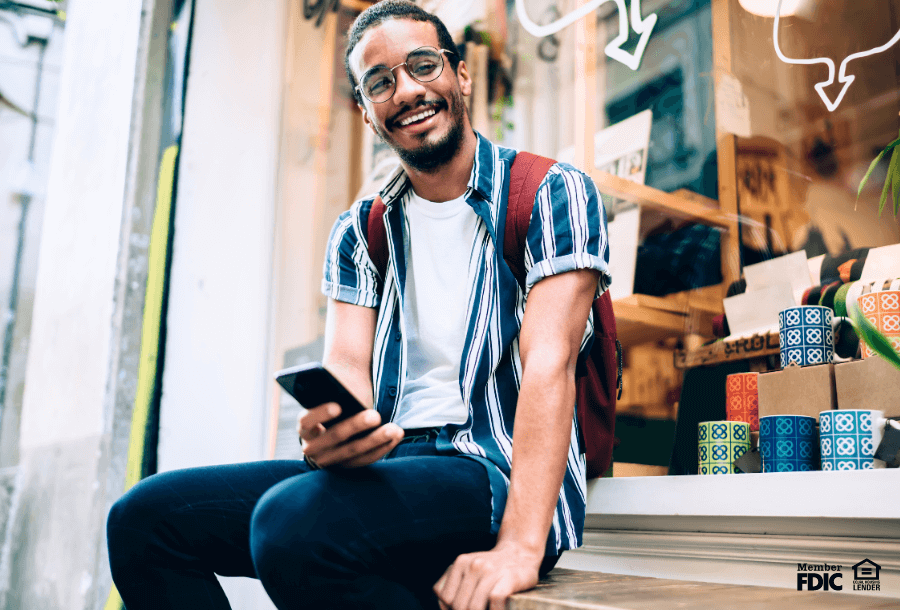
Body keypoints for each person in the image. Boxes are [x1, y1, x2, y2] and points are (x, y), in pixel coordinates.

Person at [106, 1, 611, 608]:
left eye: (423, 66)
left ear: (461, 76)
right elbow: (347, 366)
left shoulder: (553, 191)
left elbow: (548, 366)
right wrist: (333, 431)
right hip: (389, 469)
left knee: (291, 526)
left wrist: (519, 547)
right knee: (145, 521)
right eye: (380, 82)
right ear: (368, 115)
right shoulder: (359, 231)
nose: (406, 90)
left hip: (492, 472)